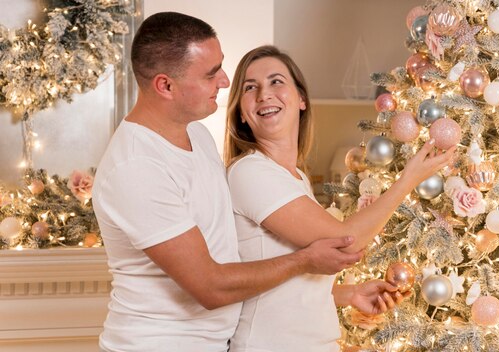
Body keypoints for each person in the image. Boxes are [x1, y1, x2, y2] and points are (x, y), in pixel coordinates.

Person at [92, 13, 365, 352]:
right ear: (165, 86)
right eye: (210, 74)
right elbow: (210, 287)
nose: (224, 81)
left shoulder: (197, 134)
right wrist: (304, 260)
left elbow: (241, 258)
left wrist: (341, 294)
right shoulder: (136, 167)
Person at [224, 45, 456, 352]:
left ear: (301, 99)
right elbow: (346, 239)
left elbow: (286, 284)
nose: (264, 94)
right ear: (241, 110)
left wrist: (349, 294)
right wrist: (408, 180)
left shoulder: (295, 177)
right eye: (250, 88)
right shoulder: (250, 171)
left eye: (276, 81)